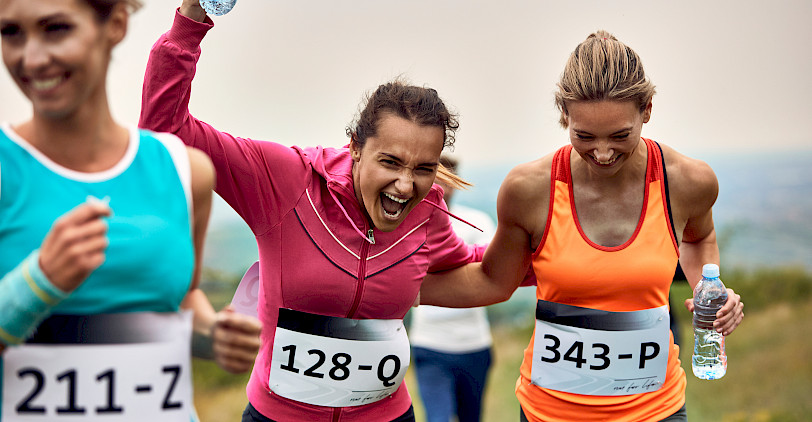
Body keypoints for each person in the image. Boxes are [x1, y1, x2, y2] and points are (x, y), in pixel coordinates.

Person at [138, 2, 495, 421]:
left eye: (424, 169)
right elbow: (166, 132)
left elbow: (470, 263)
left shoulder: (427, 209)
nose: (405, 185)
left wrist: (556, 246)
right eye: (391, 162)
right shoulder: (287, 179)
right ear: (356, 146)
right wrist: (190, 21)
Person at [420, 30, 745, 421]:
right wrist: (379, 289)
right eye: (584, 135)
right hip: (550, 413)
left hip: (657, 410)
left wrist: (708, 286)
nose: (603, 153)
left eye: (620, 136)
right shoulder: (528, 189)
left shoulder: (688, 181)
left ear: (648, 110)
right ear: (564, 115)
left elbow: (700, 236)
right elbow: (492, 281)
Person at [0, 0, 259, 420]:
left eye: (56, 29)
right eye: (11, 32)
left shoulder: (185, 171)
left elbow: (179, 301)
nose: (31, 57)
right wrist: (38, 282)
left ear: (116, 24)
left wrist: (214, 337)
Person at [408, 155, 495, 422]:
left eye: (447, 181)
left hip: (474, 344)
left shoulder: (477, 222)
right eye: (435, 180)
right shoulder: (407, 225)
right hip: (429, 344)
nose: (441, 189)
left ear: (456, 183)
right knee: (438, 418)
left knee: (472, 417)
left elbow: (494, 276)